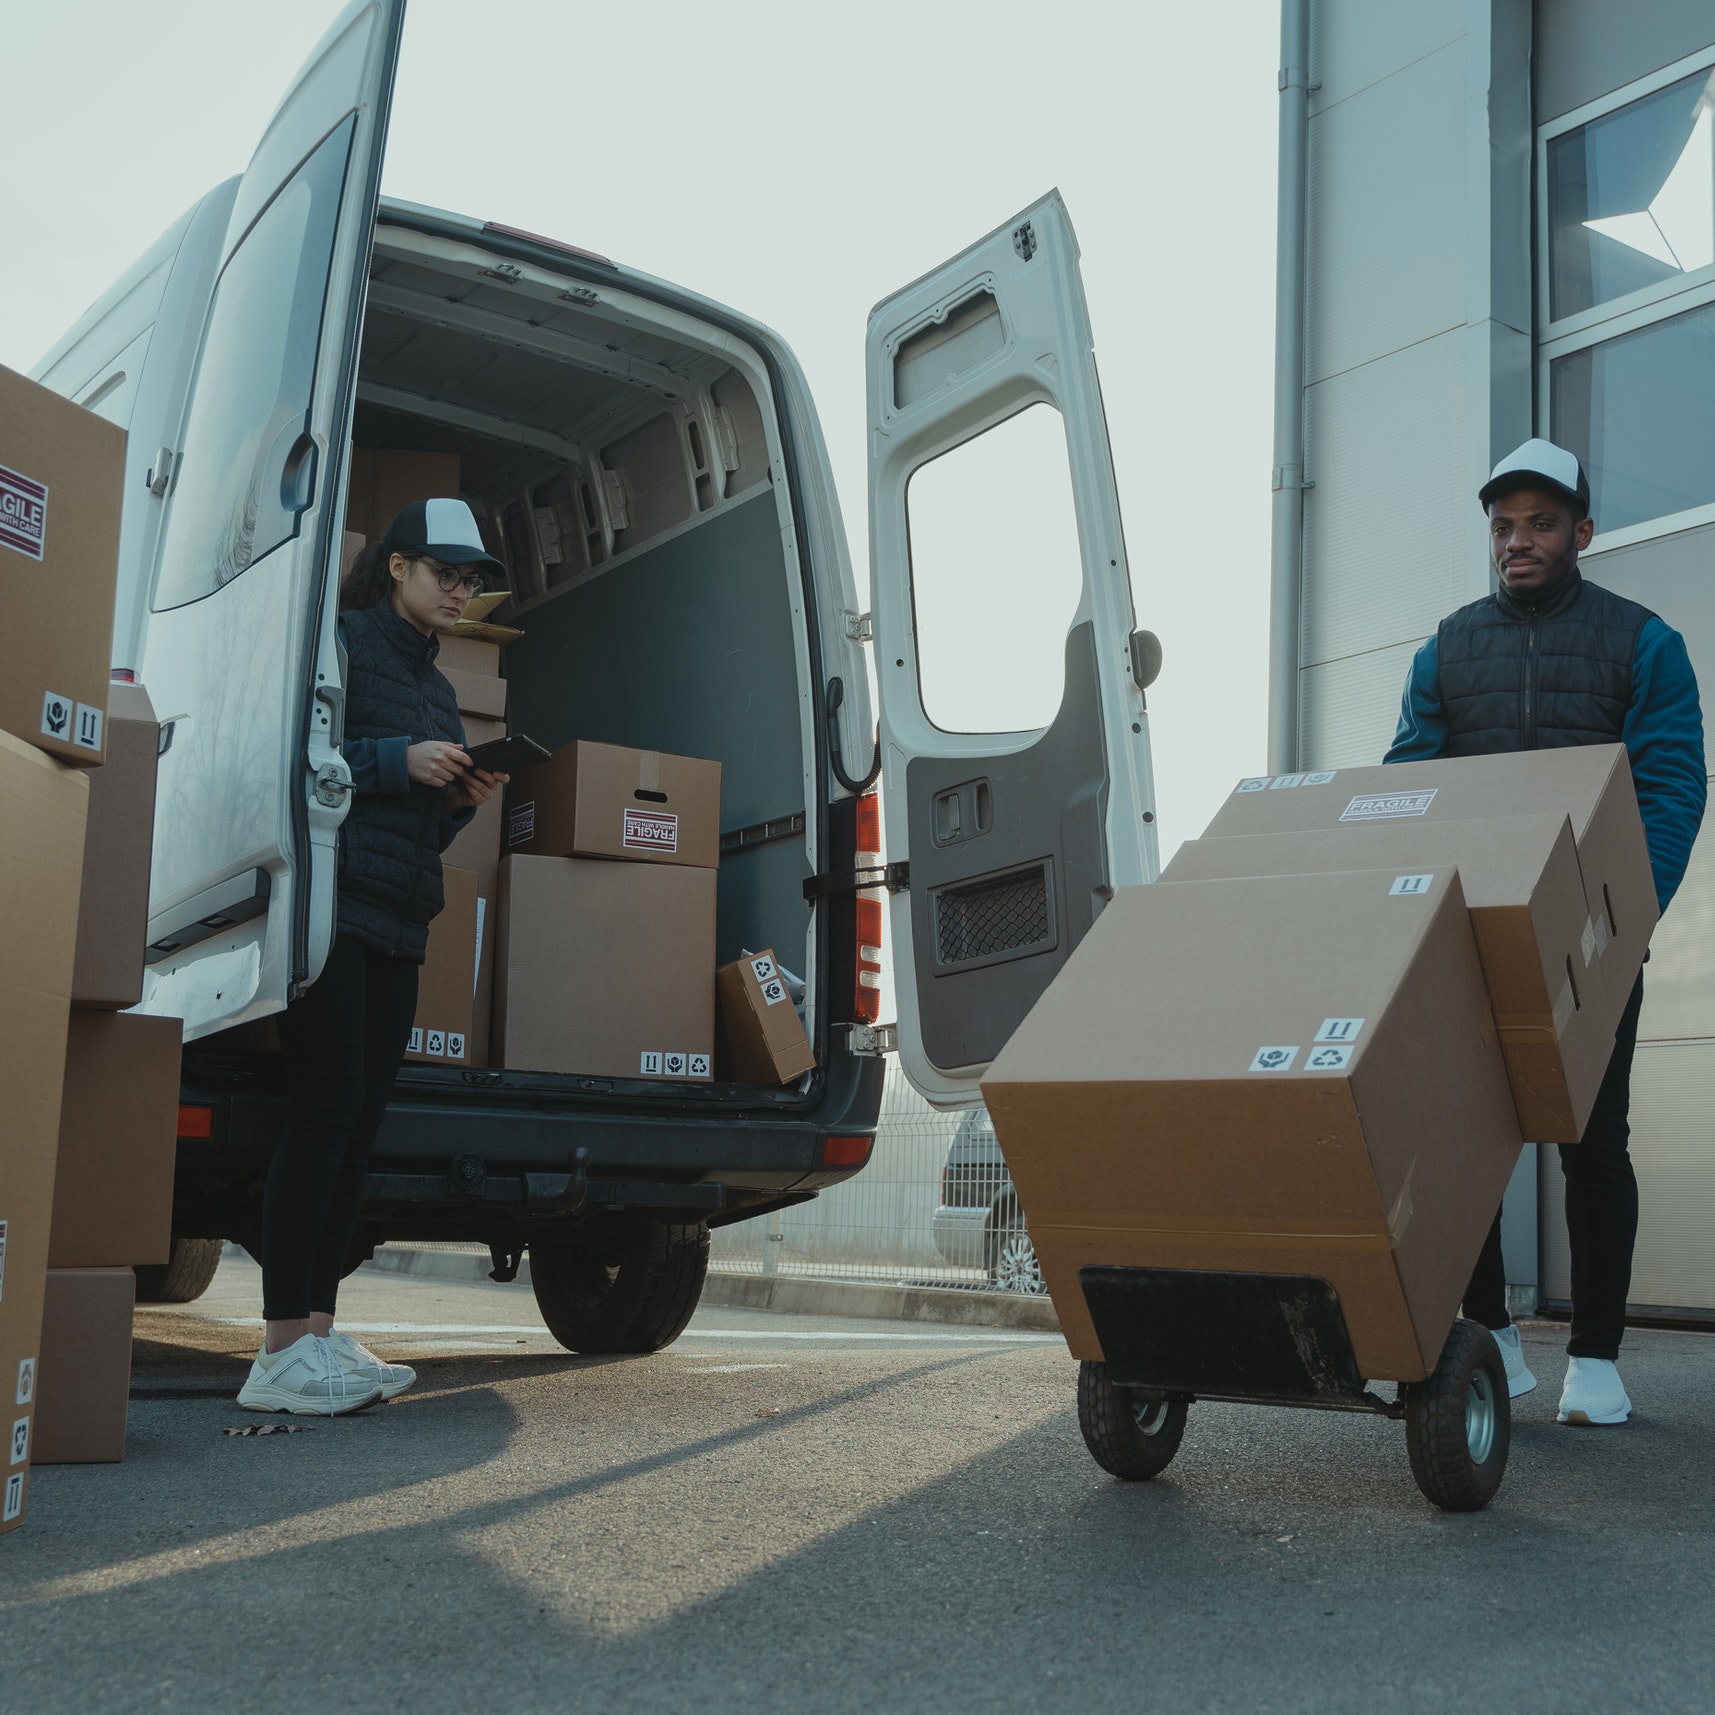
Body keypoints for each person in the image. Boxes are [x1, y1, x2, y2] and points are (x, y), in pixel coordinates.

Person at [1385, 438, 1705, 1426]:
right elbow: (1408, 782)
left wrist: (1628, 914)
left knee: (1588, 1140)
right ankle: (1490, 1335)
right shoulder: (1445, 648)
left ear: (1580, 531)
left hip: (1590, 943)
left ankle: (1596, 1360)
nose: (1515, 541)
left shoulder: (1640, 642)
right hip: (1467, 937)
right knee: (1463, 1141)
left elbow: (1669, 784)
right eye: (1500, 525)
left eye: (1537, 522)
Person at [237, 498, 511, 1414]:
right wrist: (398, 760)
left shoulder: (438, 687)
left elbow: (419, 835)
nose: (460, 590)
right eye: (446, 572)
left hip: (399, 919)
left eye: (471, 581)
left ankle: (316, 1334)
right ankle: (276, 1352)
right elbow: (287, 761)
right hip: (329, 909)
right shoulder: (341, 644)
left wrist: (462, 793)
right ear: (396, 565)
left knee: (358, 1125)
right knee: (320, 1115)